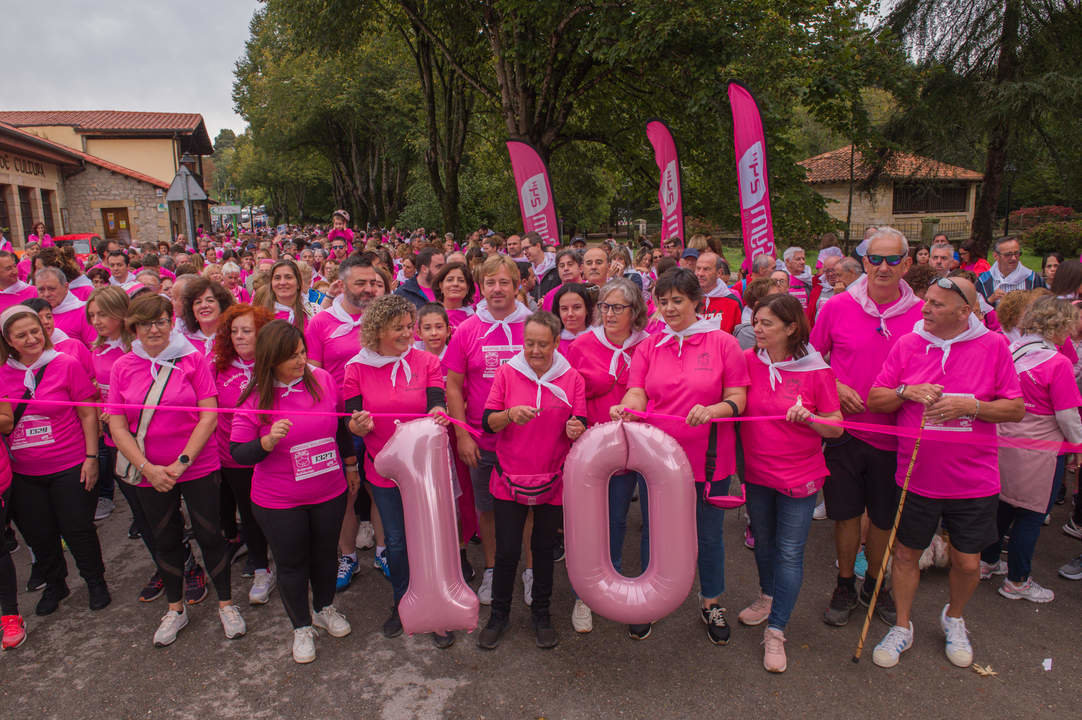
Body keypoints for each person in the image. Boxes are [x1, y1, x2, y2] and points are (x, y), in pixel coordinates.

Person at [867, 276, 1024, 669]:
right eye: (927, 301)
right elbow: (876, 398)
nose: (925, 309)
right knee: (905, 554)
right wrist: (906, 391)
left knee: (968, 562)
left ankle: (954, 617)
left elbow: (1015, 408)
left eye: (937, 304)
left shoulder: (994, 345)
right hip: (916, 476)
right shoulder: (909, 343)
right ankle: (902, 625)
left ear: (965, 312)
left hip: (974, 479)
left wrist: (970, 405)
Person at [611, 267, 750, 645]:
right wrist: (627, 406)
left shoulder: (723, 343)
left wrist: (715, 410)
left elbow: (738, 398)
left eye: (677, 301)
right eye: (663, 301)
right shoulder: (649, 345)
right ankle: (650, 600)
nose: (669, 308)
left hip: (709, 458)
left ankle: (711, 602)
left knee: (708, 535)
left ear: (696, 303)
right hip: (656, 458)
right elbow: (638, 391)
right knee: (654, 532)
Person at [107, 294, 243, 647]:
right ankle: (175, 608)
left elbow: (208, 415)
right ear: (133, 327)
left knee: (211, 535)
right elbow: (118, 427)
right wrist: (148, 468)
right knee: (164, 539)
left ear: (172, 323)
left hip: (196, 465)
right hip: (149, 471)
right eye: (145, 322)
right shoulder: (123, 366)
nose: (154, 329)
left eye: (161, 321)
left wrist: (180, 463)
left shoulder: (192, 360)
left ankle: (226, 604)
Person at [810, 227, 923, 629]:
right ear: (865, 261)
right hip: (846, 431)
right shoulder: (837, 306)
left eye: (893, 259)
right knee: (844, 514)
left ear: (907, 263)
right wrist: (836, 387)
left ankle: (876, 583)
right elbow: (812, 359)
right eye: (875, 258)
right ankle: (844, 583)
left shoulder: (921, 313)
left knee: (883, 519)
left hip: (897, 435)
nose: (883, 267)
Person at [231, 320, 358, 664]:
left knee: (325, 555)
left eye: (302, 352)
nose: (300, 361)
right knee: (291, 563)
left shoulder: (323, 380)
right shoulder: (257, 394)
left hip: (328, 489)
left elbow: (340, 427)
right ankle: (301, 626)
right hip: (279, 499)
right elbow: (238, 452)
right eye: (291, 356)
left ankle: (324, 607)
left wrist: (350, 465)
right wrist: (266, 441)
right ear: (271, 359)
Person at [738, 294, 843, 672]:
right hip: (756, 472)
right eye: (756, 321)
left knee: (788, 552)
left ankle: (777, 630)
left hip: (799, 476)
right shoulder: (747, 361)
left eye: (766, 323)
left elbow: (834, 428)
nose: (758, 329)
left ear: (791, 327)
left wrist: (810, 419)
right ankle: (767, 598)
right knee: (763, 543)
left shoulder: (816, 370)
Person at [344, 295, 452, 646]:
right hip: (384, 469)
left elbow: (437, 399)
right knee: (396, 542)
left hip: (424, 469)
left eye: (410, 326)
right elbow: (352, 418)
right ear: (377, 331)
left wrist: (438, 412)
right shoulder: (356, 368)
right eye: (399, 328)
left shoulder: (426, 361)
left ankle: (437, 610)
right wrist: (357, 426)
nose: (409, 333)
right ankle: (404, 603)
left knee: (430, 539)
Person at [476, 311, 586, 651]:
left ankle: (542, 614)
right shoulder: (509, 372)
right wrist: (509, 415)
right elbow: (486, 423)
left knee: (541, 550)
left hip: (553, 477)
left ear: (556, 343)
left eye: (542, 344)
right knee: (507, 552)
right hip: (510, 477)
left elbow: (579, 420)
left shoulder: (572, 377)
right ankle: (499, 615)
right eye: (529, 343)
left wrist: (576, 427)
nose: (534, 351)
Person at [0, 306, 109, 617]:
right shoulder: (2, 372)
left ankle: (95, 581)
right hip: (23, 470)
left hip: (69, 463)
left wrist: (91, 458)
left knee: (78, 528)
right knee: (39, 532)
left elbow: (88, 413)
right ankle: (55, 583)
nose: (32, 338)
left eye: (36, 331)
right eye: (21, 335)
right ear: (8, 341)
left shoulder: (66, 364)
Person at [979, 297, 1082, 601]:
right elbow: (1067, 415)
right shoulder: (1057, 363)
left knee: (1003, 505)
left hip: (1004, 439)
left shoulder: (1011, 350)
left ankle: (987, 561)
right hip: (1040, 449)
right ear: (1060, 324)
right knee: (1032, 515)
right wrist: (1079, 445)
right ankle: (1017, 580)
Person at [565, 278, 651, 636]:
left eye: (618, 307)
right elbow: (569, 394)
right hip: (594, 448)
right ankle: (587, 592)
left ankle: (630, 590)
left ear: (636, 311)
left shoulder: (650, 345)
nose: (610, 314)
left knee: (635, 519)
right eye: (605, 307)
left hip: (641, 446)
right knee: (596, 520)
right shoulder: (581, 345)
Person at [445, 255, 531, 605]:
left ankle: (530, 570)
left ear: (517, 285)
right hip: (483, 439)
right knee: (487, 506)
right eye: (490, 283)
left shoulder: (535, 324)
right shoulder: (467, 329)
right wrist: (463, 434)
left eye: (504, 282)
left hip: (528, 438)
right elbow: (453, 384)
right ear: (480, 287)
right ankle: (493, 569)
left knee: (529, 507)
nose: (497, 289)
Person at [212, 303, 277, 603]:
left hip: (274, 455)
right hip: (234, 455)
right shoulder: (216, 366)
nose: (239, 337)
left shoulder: (277, 363)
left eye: (247, 331)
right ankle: (261, 567)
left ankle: (287, 560)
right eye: (234, 331)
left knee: (278, 512)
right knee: (248, 513)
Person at [35, 266, 97, 345]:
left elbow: (95, 350)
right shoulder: (33, 314)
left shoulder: (85, 312)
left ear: (66, 287)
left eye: (51, 289)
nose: (46, 294)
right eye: (41, 290)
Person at [976, 236, 1045, 305]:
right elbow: (975, 310)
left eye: (1016, 253)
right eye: (1008, 254)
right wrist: (990, 300)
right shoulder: (983, 280)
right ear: (995, 256)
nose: (1014, 258)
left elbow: (1043, 306)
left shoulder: (1033, 279)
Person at [256, 260, 316, 330]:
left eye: (288, 277)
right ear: (271, 283)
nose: (282, 282)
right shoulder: (260, 317)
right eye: (277, 278)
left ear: (299, 283)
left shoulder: (313, 312)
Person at [180, 277, 234, 355]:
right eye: (198, 302)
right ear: (191, 310)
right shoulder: (183, 343)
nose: (204, 305)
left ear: (221, 306)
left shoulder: (232, 339)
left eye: (210, 300)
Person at [694, 251, 742, 332]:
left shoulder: (733, 302)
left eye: (706, 269)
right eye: (698, 268)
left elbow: (738, 337)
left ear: (719, 273)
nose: (700, 273)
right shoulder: (687, 298)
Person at [432, 261, 476, 330]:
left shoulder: (475, 319)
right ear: (440, 286)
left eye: (461, 280)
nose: (455, 284)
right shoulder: (430, 314)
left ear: (467, 288)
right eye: (450, 280)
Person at [553, 283, 594, 353]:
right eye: (564, 309)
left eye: (576, 307)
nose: (570, 314)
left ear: (587, 309)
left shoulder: (600, 339)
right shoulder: (552, 344)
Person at [523, 232, 559, 299]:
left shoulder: (557, 264)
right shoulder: (527, 269)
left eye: (527, 248)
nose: (524, 252)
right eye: (523, 249)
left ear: (538, 246)